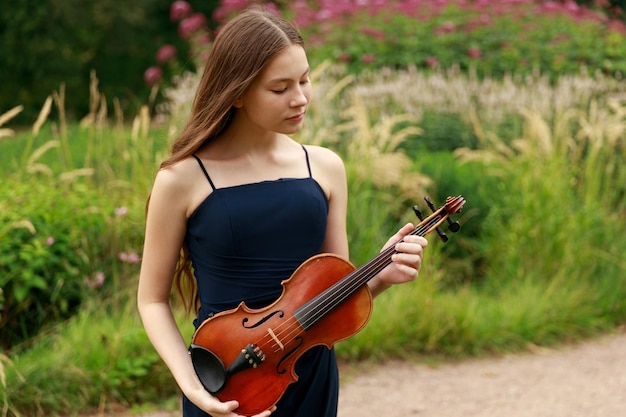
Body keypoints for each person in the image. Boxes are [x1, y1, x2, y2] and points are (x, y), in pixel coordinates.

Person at [137, 7, 428, 417]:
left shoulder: (325, 167)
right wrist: (196, 388)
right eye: (280, 88)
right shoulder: (181, 179)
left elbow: (329, 300)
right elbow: (151, 301)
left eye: (305, 80)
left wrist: (378, 278)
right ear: (236, 92)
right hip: (226, 379)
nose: (301, 98)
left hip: (308, 375)